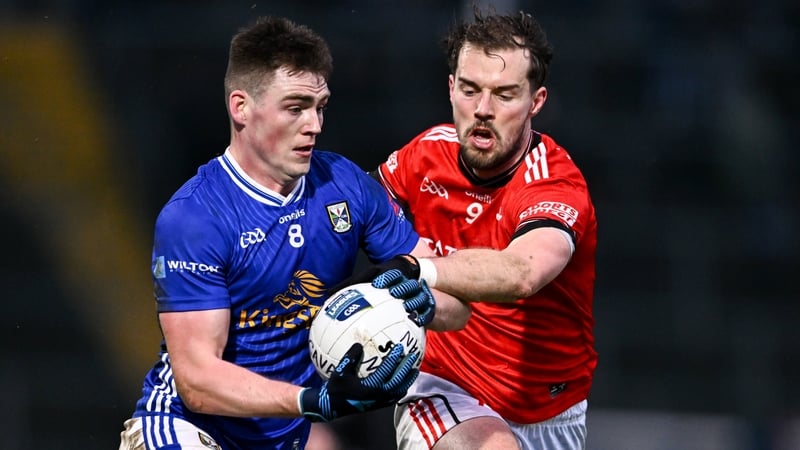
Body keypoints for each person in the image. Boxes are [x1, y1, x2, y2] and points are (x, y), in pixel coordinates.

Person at [117, 16, 469, 450]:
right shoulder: (194, 217)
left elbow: (455, 303)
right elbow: (198, 382)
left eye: (320, 106)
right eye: (296, 107)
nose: (315, 124)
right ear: (240, 107)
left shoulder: (345, 185)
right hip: (185, 428)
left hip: (283, 434)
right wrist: (313, 401)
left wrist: (425, 299)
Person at [345, 7, 598, 450]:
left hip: (555, 410)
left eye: (504, 94)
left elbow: (522, 272)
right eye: (469, 89)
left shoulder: (554, 183)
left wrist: (418, 269)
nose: (482, 110)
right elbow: (351, 212)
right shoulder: (422, 156)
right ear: (450, 88)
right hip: (444, 388)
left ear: (536, 102)